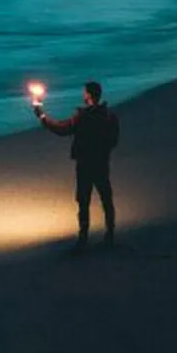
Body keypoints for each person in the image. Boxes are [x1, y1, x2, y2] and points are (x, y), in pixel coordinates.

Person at [34, 80, 120, 250]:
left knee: (83, 201)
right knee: (106, 198)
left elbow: (62, 129)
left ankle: (83, 239)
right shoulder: (109, 116)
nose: (83, 94)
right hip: (101, 163)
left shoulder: (83, 117)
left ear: (88, 95)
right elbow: (113, 139)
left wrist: (42, 116)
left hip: (85, 164)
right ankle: (110, 236)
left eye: (84, 92)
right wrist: (103, 152)